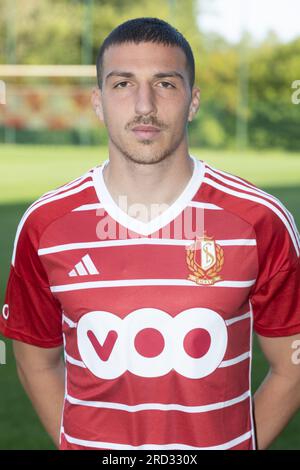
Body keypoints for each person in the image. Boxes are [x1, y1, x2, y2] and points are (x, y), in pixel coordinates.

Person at [1, 17, 300, 451]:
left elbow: (292, 365)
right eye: (122, 84)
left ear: (193, 101)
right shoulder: (46, 225)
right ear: (98, 101)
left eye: (165, 84)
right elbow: (36, 364)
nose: (145, 105)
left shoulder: (258, 219)